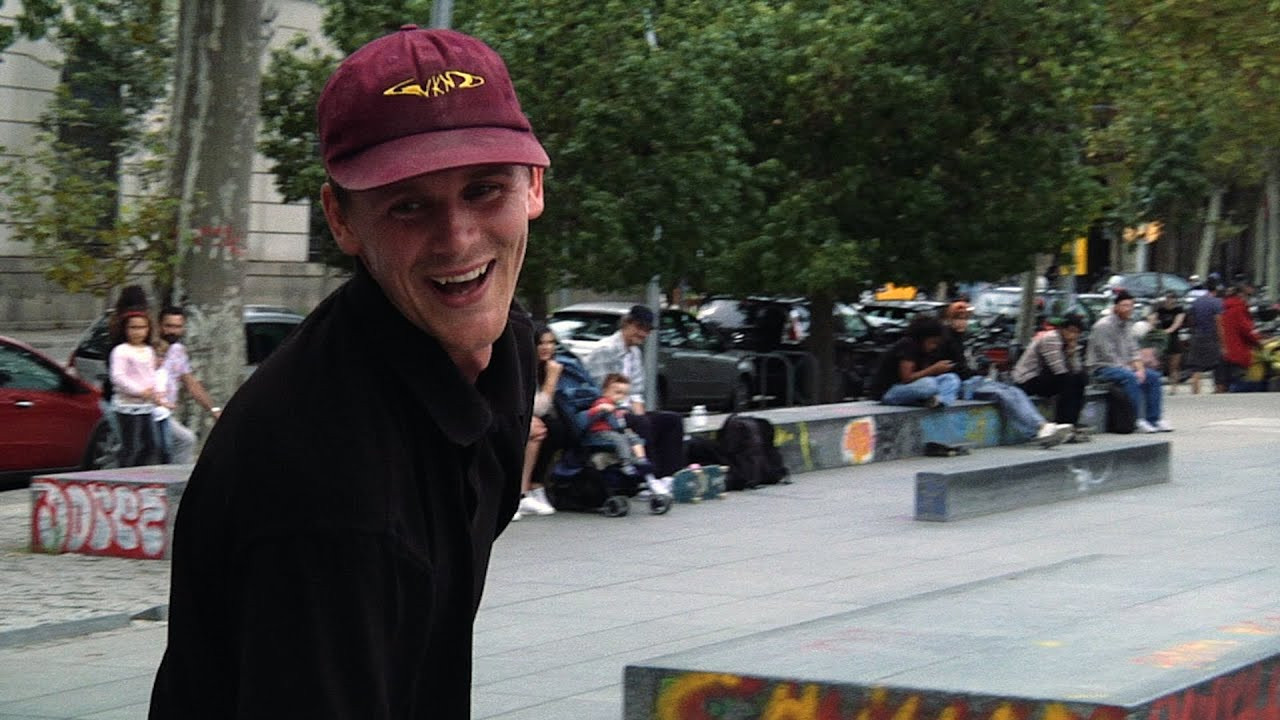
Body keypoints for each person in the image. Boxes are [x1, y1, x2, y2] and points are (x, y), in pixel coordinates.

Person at [151, 26, 548, 718]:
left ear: (534, 187)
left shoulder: (505, 351)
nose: (457, 238)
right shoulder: (330, 491)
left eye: (484, 190)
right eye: (408, 205)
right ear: (341, 218)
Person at [936, 302, 1072, 446]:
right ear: (949, 320)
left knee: (1014, 391)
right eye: (958, 318)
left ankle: (1042, 426)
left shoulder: (959, 338)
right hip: (962, 384)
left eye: (964, 319)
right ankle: (1037, 429)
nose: (962, 323)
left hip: (972, 380)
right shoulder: (947, 339)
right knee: (1003, 394)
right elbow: (956, 369)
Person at [584, 305, 685, 478]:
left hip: (628, 410)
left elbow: (636, 391)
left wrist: (640, 415)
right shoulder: (605, 349)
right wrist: (631, 416)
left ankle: (669, 476)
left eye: (647, 330)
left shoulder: (635, 353)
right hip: (607, 412)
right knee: (641, 424)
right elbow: (599, 390)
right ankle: (648, 478)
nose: (643, 334)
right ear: (626, 324)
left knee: (671, 420)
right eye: (639, 328)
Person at [1086, 290, 1171, 433]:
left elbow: (1133, 349)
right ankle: (1136, 419)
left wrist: (1140, 368)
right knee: (1130, 377)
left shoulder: (1127, 325)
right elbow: (1108, 356)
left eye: (1131, 306)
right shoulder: (1103, 326)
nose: (1128, 309)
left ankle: (1155, 419)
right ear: (1116, 307)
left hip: (1124, 366)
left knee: (1154, 377)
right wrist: (1131, 369)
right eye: (1125, 305)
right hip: (1102, 368)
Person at [155, 307, 223, 464]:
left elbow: (190, 382)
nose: (173, 331)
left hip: (165, 412)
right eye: (168, 326)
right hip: (149, 411)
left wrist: (213, 409)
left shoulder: (178, 351)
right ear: (159, 326)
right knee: (184, 441)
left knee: (179, 444)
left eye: (177, 327)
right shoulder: (152, 348)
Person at [1013, 314, 1089, 441]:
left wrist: (1072, 352)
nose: (1074, 335)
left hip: (1048, 378)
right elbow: (1058, 368)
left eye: (1077, 333)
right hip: (1028, 379)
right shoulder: (1051, 339)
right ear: (1062, 329)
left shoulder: (1068, 343)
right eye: (1071, 331)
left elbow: (1076, 369)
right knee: (1068, 381)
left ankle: (1071, 424)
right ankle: (1063, 424)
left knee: (1080, 379)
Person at [514, 325, 560, 520]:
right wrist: (552, 379)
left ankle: (531, 489)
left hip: (526, 417)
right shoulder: (524, 366)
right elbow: (538, 407)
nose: (546, 347)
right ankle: (521, 494)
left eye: (551, 343)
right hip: (510, 416)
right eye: (541, 343)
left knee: (555, 429)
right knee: (537, 429)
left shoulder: (545, 366)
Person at [868, 315, 961, 407]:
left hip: (912, 387)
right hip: (889, 391)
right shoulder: (908, 346)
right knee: (929, 384)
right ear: (922, 338)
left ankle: (939, 402)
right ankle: (926, 400)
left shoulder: (926, 351)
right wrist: (933, 370)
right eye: (932, 342)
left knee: (951, 378)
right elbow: (906, 378)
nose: (934, 347)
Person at [110, 310, 158, 467]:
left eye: (142, 327)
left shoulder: (149, 350)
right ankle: (124, 475)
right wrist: (139, 391)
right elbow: (118, 377)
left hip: (146, 405)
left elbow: (151, 374)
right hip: (128, 405)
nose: (138, 332)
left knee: (150, 445)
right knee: (131, 446)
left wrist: (155, 391)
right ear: (125, 329)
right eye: (133, 327)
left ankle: (141, 474)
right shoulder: (121, 351)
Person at [1185, 281, 1225, 394]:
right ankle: (1218, 391)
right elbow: (1219, 324)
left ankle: (1195, 392)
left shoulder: (1197, 302)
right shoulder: (1217, 303)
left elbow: (1190, 320)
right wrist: (1223, 344)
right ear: (1216, 291)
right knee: (1218, 366)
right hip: (1211, 337)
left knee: (1196, 367)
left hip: (1197, 336)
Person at [1220, 283, 1262, 391]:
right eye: (1248, 296)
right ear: (1241, 295)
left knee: (1223, 383)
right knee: (1238, 384)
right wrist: (1259, 341)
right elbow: (1247, 330)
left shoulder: (1223, 307)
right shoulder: (1239, 309)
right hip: (1237, 352)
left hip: (1222, 351)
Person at [1153, 291, 1186, 394]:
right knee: (1159, 364)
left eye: (1172, 298)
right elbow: (1153, 319)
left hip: (1173, 338)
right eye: (1168, 298)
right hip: (1162, 339)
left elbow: (1177, 323)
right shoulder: (1160, 310)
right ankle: (1157, 386)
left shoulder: (1178, 310)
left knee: (1174, 365)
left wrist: (1167, 331)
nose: (1169, 300)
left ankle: (1173, 387)